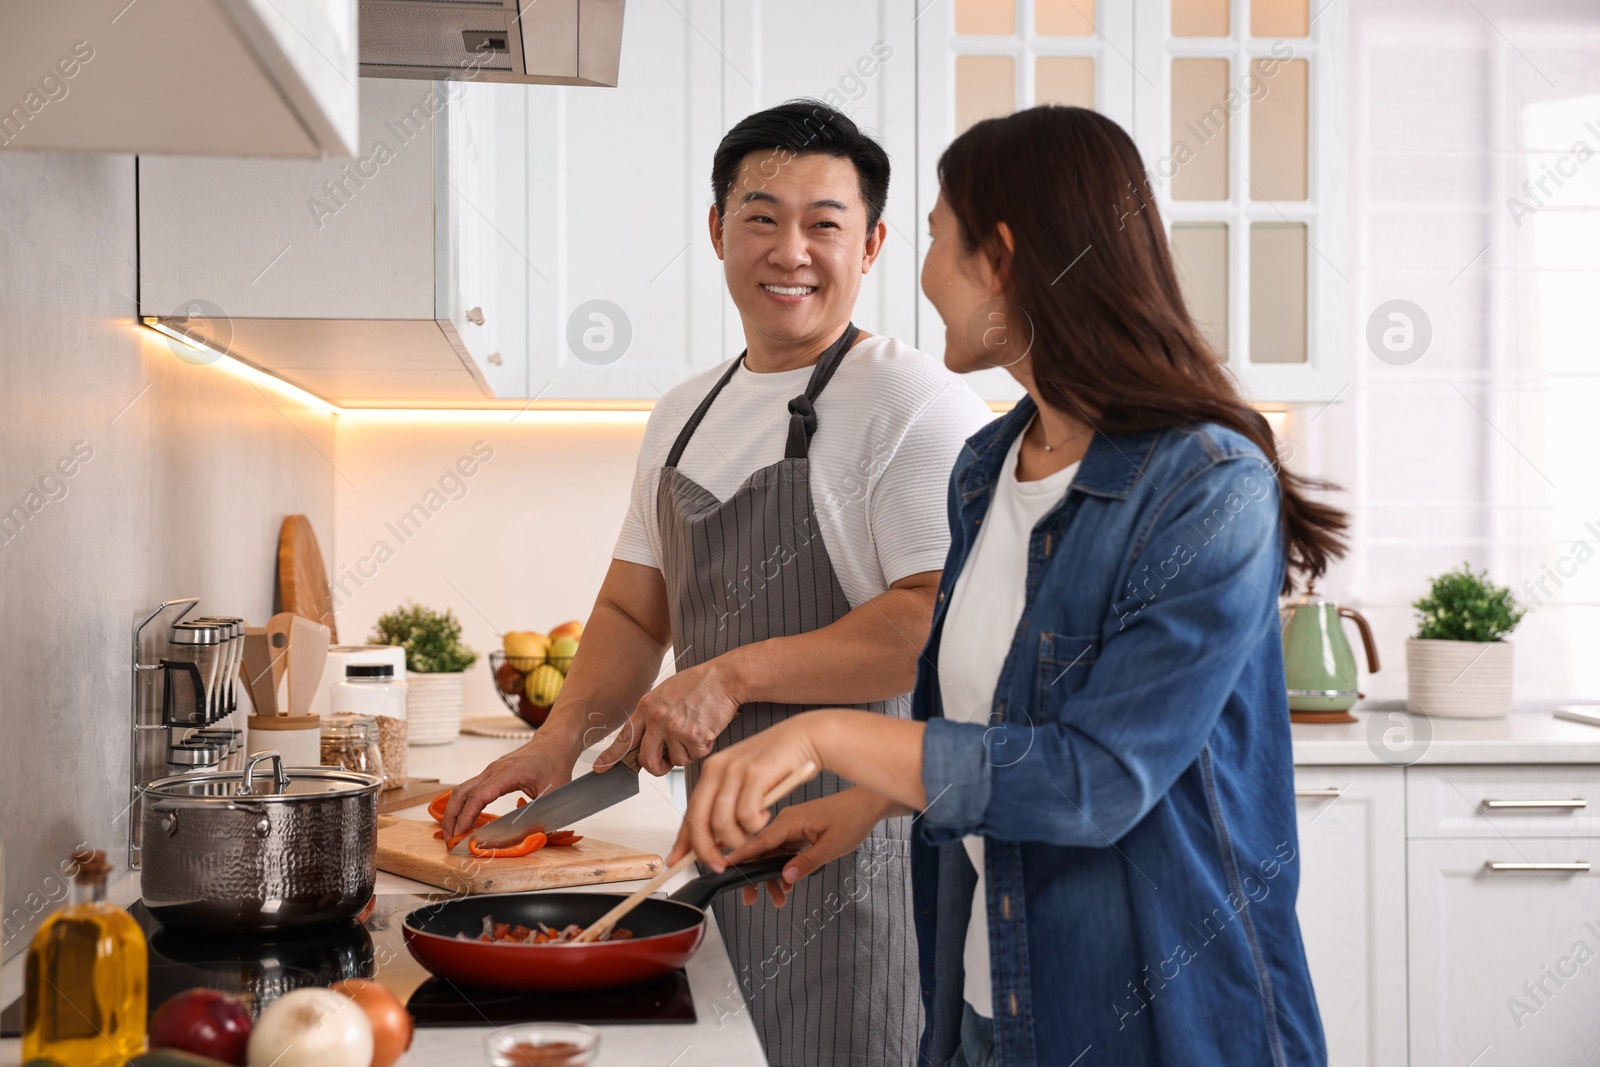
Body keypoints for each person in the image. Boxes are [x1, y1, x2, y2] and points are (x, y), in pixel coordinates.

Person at [669, 105, 1348, 1066]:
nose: (921, 270)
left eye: (939, 236)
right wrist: (870, 800)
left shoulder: (1207, 484)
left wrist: (825, 734)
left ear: (1004, 256)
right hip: (991, 1004)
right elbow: (1006, 721)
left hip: (1162, 1021)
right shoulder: (990, 465)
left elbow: (1101, 777)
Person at [442, 100, 992, 1067]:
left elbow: (928, 619)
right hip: (712, 855)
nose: (791, 251)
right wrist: (559, 742)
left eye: (825, 222)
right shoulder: (683, 412)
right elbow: (630, 605)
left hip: (855, 847)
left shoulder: (912, 399)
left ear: (871, 246)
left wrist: (728, 674)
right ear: (717, 230)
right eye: (761, 216)